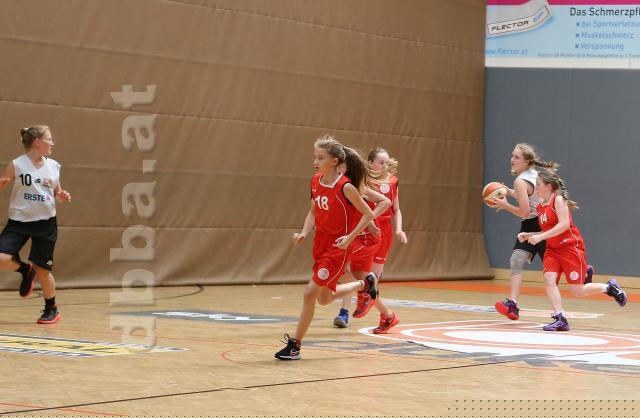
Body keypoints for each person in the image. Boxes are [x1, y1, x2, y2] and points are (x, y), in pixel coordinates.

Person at [275, 135, 389, 360]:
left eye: (320, 158)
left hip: (338, 247)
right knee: (324, 299)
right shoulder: (316, 181)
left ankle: (295, 345)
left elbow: (367, 214)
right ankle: (365, 284)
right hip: (320, 244)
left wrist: (349, 238)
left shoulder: (346, 187)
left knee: (310, 293)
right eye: (315, 157)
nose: (315, 162)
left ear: (334, 161)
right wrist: (304, 233)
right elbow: (313, 212)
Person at [518, 169, 627, 331]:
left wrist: (540, 237)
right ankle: (560, 318)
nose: (536, 187)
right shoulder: (540, 207)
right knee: (549, 280)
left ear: (548, 186)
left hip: (570, 247)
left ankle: (609, 288)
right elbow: (549, 230)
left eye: (538, 184)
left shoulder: (558, 200)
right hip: (552, 250)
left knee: (577, 291)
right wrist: (530, 235)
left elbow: (564, 225)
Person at [0, 126, 71, 324]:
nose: (53, 143)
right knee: (1, 257)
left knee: (43, 269)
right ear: (38, 142)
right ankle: (25, 270)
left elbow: (56, 193)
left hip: (45, 223)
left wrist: (61, 196)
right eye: (50, 139)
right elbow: (2, 182)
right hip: (19, 221)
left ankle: (51, 309)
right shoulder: (17, 164)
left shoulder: (54, 166)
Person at [334, 148, 407, 334]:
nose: (385, 165)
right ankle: (382, 314)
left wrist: (398, 229)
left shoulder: (387, 182)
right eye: (381, 162)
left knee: (363, 276)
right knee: (362, 278)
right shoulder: (352, 180)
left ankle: (364, 302)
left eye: (386, 162)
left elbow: (392, 206)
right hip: (360, 228)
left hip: (375, 230)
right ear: (370, 163)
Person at [491, 143, 562, 321]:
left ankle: (585, 273)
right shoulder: (533, 174)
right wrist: (510, 192)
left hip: (539, 225)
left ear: (526, 161)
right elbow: (528, 196)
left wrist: (505, 205)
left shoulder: (521, 180)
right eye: (512, 156)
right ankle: (513, 305)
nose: (512, 160)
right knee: (516, 259)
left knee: (554, 271)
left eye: (516, 157)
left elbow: (524, 212)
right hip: (536, 224)